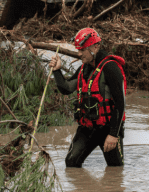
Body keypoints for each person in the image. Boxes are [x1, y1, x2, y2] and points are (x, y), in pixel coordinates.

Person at [49, 28, 126, 167]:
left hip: (109, 129)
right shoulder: (84, 68)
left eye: (82, 50)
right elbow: (66, 88)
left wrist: (114, 135)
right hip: (87, 128)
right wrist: (57, 70)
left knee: (115, 170)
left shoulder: (111, 68)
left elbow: (120, 103)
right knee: (71, 163)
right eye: (78, 50)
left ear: (95, 47)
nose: (79, 54)